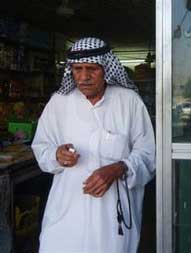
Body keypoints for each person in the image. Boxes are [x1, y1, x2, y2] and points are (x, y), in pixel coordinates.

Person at [31, 37, 155, 253]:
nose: (84, 77)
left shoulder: (129, 102)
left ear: (106, 68)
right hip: (65, 213)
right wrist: (56, 155)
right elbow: (41, 146)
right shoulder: (59, 103)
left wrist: (119, 168)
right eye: (77, 69)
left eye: (92, 69)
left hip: (111, 219)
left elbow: (148, 154)